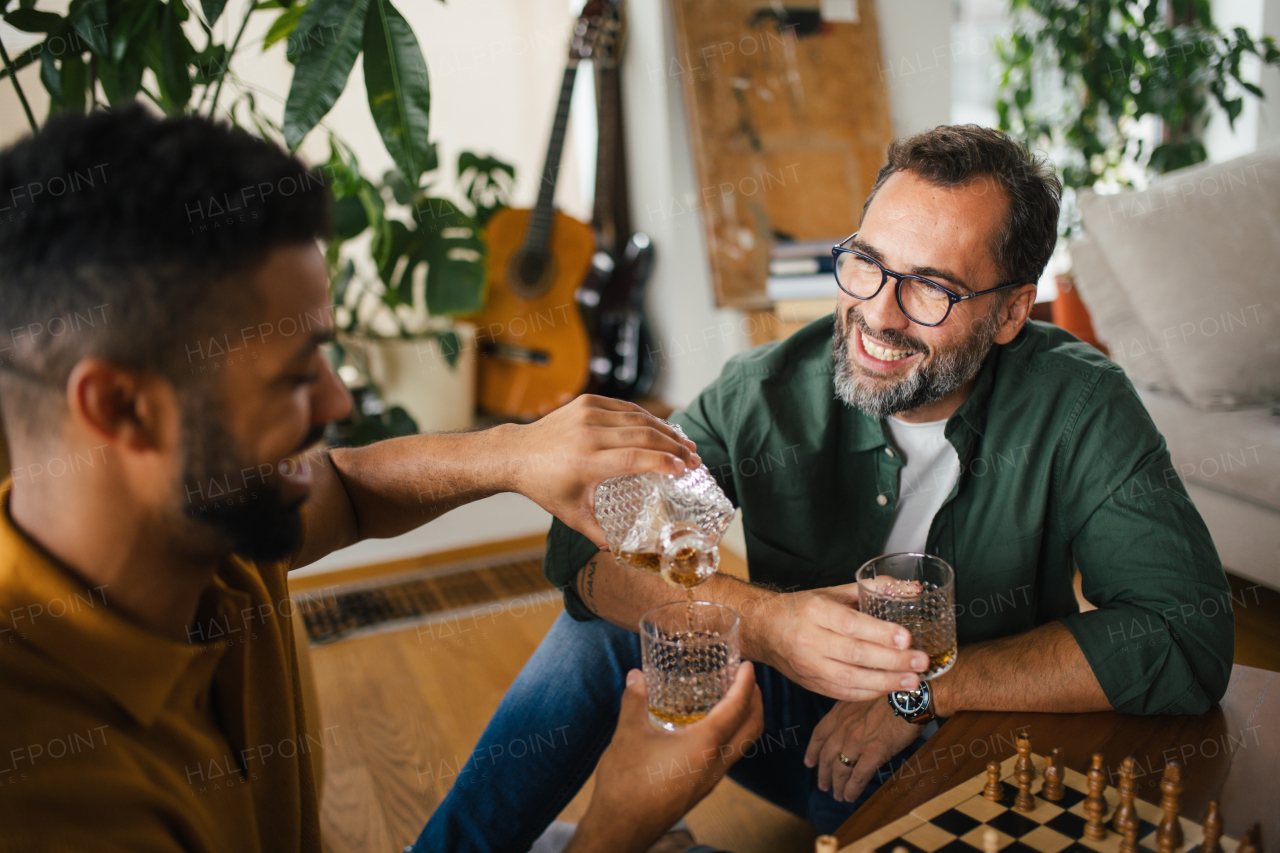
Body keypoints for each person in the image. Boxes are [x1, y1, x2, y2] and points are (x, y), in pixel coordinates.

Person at [418, 125, 1235, 851]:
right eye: (866, 265)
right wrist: (769, 625)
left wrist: (927, 691)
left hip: (968, 739)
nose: (879, 315)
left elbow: (1185, 637)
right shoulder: (766, 391)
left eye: (932, 288)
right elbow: (589, 552)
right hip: (782, 725)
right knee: (610, 632)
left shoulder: (1081, 405)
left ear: (1013, 311)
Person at [0, 105, 762, 853]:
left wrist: (516, 454)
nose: (336, 402)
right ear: (121, 408)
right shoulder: (53, 794)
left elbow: (351, 490)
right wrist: (617, 824)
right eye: (295, 376)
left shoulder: (208, 526)